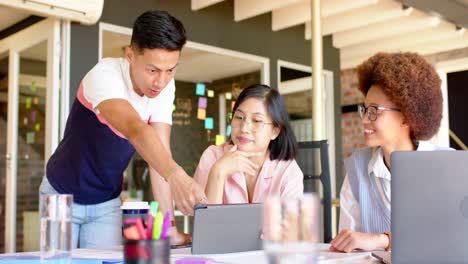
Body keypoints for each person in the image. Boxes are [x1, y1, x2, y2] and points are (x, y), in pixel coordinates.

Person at [39, 10, 206, 249]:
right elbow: (135, 130)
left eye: (170, 70)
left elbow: (159, 158)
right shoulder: (105, 75)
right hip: (60, 194)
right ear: (130, 55)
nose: (161, 81)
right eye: (152, 70)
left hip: (106, 202)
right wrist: (177, 174)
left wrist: (169, 228)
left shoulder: (164, 89)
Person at [331, 52, 450, 253]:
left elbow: (449, 236)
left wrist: (383, 240)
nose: (364, 120)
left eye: (375, 111)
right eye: (365, 109)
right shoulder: (357, 169)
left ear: (406, 116)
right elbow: (349, 245)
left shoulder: (446, 165)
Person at [193, 84, 304, 204]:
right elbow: (205, 220)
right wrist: (218, 172)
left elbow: (289, 221)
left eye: (256, 120)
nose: (244, 128)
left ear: (275, 131)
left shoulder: (287, 171)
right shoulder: (213, 156)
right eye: (239, 117)